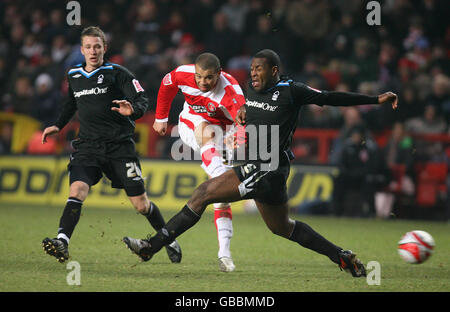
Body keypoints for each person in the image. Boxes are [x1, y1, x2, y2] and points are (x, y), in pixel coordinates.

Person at [123, 49, 398, 277]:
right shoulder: (248, 93)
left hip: (268, 168)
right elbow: (238, 117)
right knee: (282, 227)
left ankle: (152, 246)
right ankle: (340, 256)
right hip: (261, 169)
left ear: (274, 70)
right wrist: (235, 132)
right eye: (252, 68)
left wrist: (375, 99)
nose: (253, 73)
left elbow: (330, 98)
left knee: (203, 193)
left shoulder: (293, 91)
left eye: (259, 69)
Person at [41, 26, 182, 264]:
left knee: (141, 204)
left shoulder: (118, 73)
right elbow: (70, 104)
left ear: (105, 48)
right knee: (77, 191)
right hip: (88, 147)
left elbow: (142, 99)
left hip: (119, 147)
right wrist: (58, 124)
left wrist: (133, 110)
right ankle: (62, 241)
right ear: (81, 50)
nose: (93, 51)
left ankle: (169, 239)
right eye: (88, 47)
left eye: (97, 46)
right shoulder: (73, 75)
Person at [130, 52, 245, 272]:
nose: (203, 82)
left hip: (224, 134)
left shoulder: (231, 93)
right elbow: (166, 85)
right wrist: (161, 118)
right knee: (207, 133)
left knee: (220, 195)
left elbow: (243, 120)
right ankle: (218, 174)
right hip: (190, 122)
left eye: (209, 78)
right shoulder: (183, 74)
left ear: (219, 74)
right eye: (199, 77)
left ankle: (224, 254)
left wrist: (237, 139)